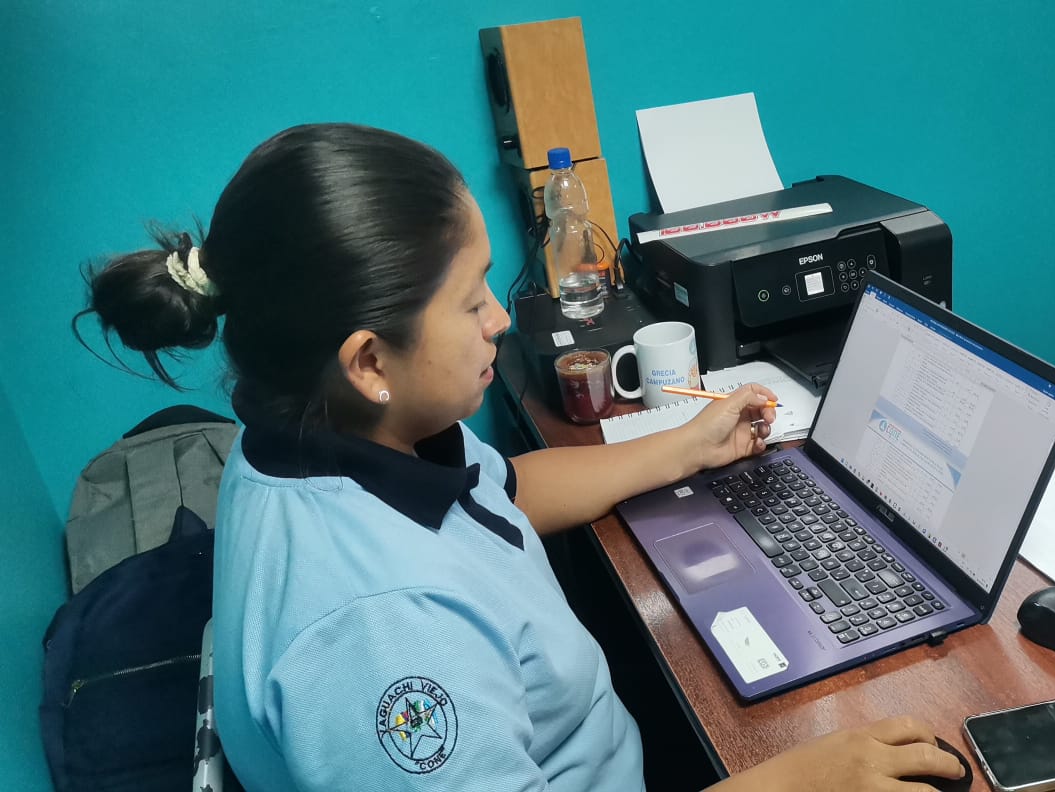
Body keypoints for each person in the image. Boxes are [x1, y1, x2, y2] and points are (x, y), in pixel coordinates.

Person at [76, 123, 962, 791]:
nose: (500, 318)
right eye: (471, 303)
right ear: (370, 362)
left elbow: (501, 492)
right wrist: (796, 781)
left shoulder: (311, 426)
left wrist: (689, 445)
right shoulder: (380, 636)